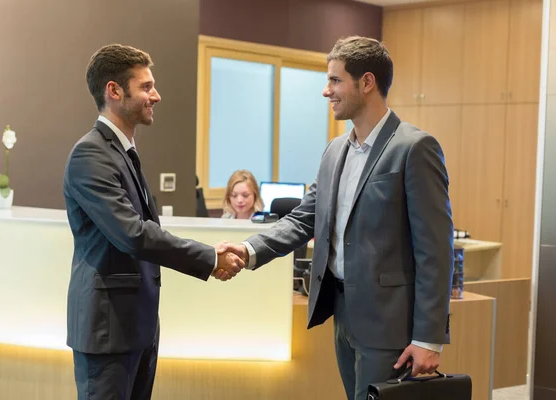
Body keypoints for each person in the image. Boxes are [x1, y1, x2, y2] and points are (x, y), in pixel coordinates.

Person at [216, 36, 453, 400]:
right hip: (343, 317)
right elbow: (303, 219)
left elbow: (436, 251)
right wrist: (249, 249)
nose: (326, 91)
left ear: (367, 83)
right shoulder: (334, 151)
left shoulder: (415, 148)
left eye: (335, 80)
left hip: (390, 326)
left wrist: (428, 338)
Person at [63, 44, 243, 400]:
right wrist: (209, 257)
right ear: (114, 91)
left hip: (137, 328)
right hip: (109, 334)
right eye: (146, 87)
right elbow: (133, 235)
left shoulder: (123, 151)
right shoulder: (90, 154)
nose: (156, 96)